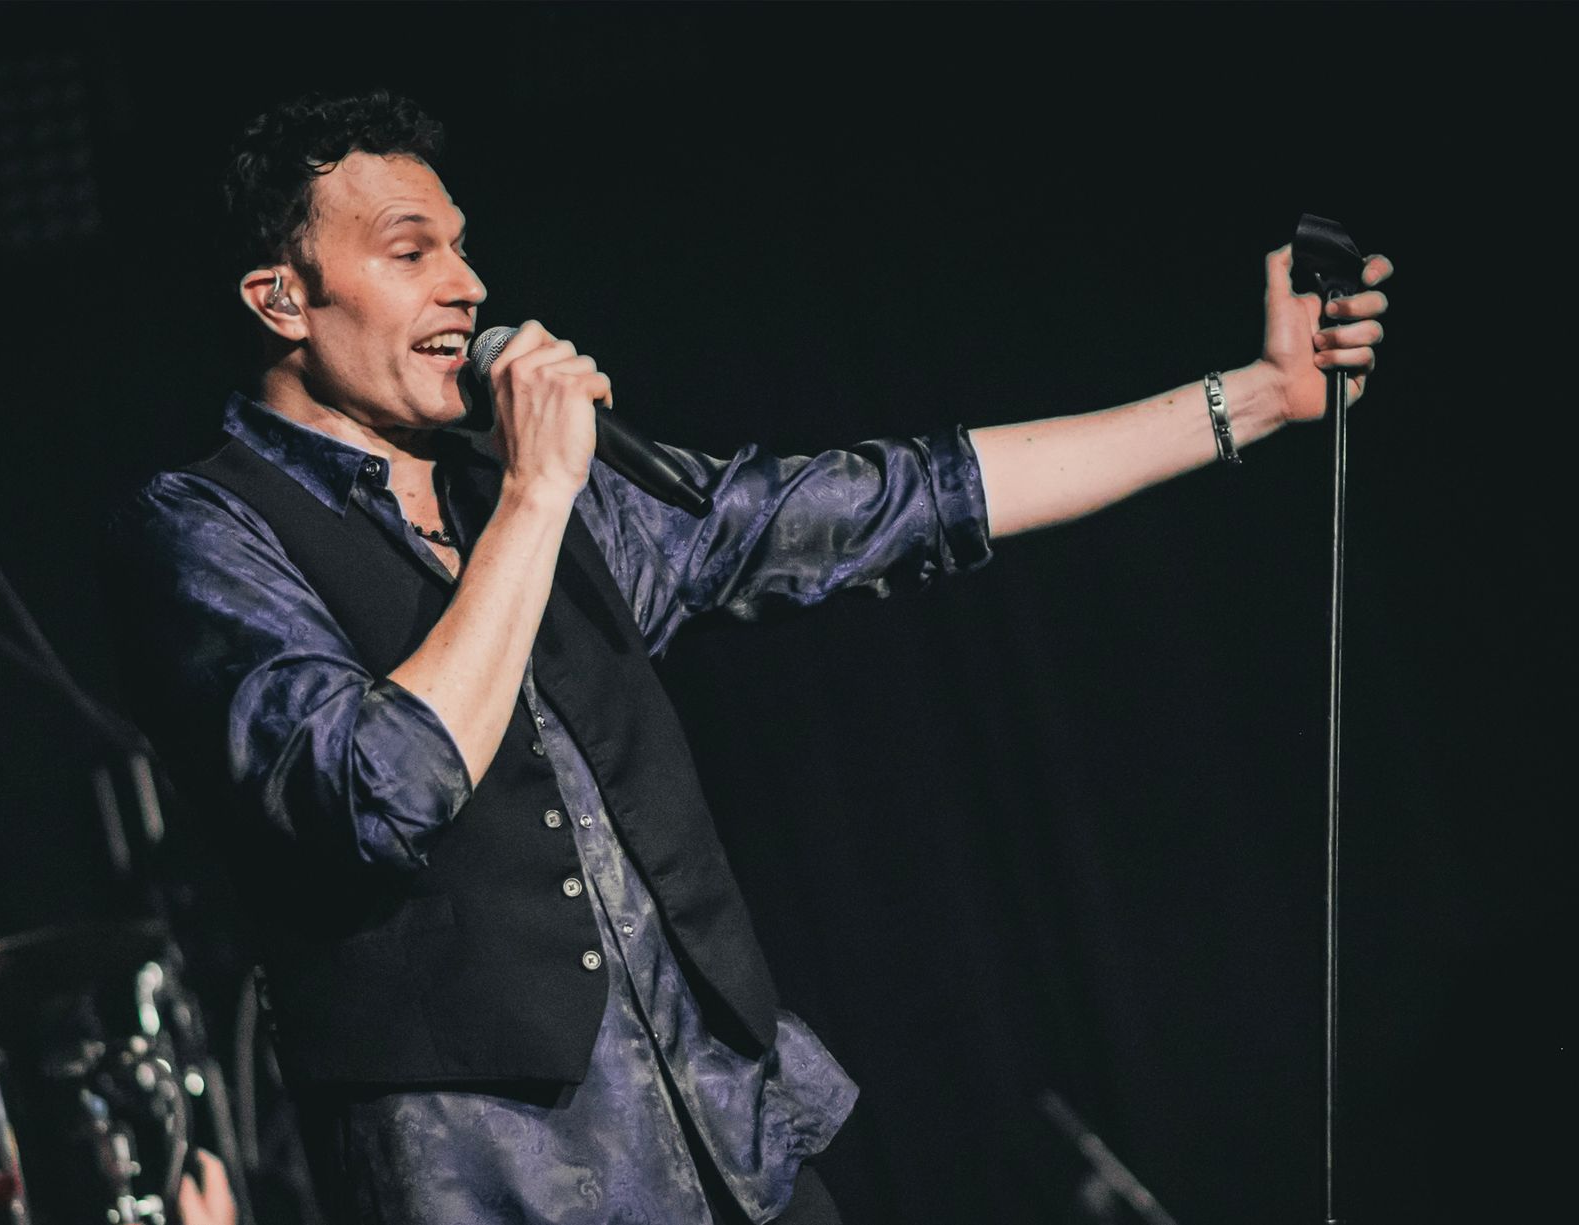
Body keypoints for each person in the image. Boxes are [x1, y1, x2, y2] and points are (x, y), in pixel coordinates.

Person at [102, 91, 1391, 1225]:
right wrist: (539, 500)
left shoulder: (542, 487)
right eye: (410, 250)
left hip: (726, 1145)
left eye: (462, 243)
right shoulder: (211, 530)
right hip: (491, 1181)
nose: (469, 283)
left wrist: (1256, 399)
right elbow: (379, 789)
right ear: (282, 297)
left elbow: (889, 502)